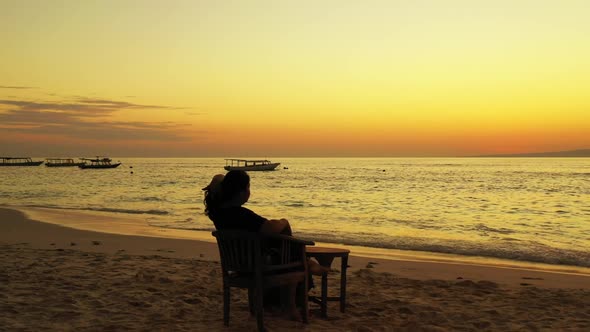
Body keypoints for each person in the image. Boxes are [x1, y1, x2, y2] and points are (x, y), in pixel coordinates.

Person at [202, 170, 329, 319]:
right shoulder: (241, 214)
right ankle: (292, 301)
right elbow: (269, 228)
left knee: (282, 244)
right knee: (286, 240)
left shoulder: (218, 214)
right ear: (241, 191)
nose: (249, 191)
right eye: (248, 187)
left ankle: (306, 264)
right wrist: (284, 221)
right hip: (258, 264)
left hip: (239, 265)